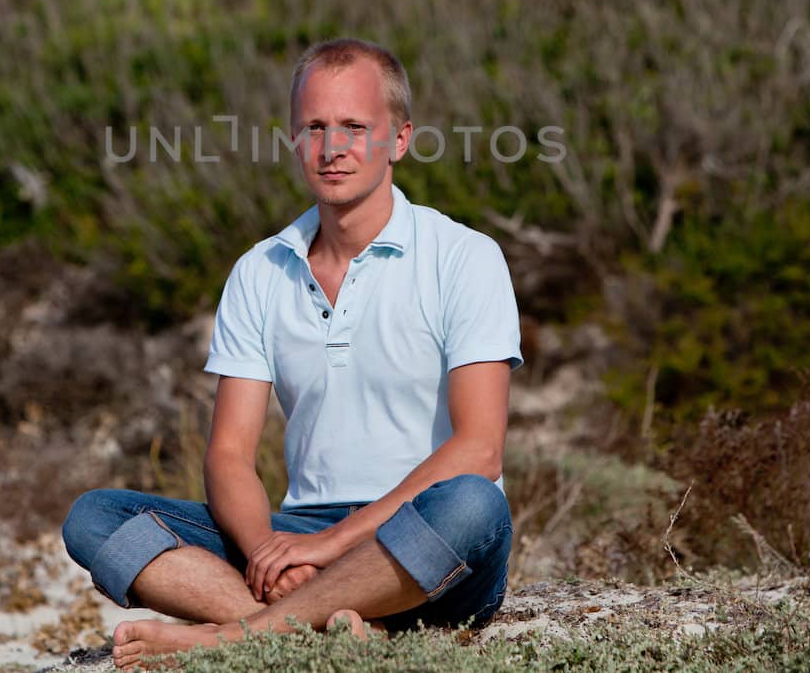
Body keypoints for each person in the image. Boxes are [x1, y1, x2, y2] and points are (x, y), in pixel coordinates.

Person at [62, 37, 523, 669]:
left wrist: (332, 546)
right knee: (96, 517)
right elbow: (228, 454)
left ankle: (238, 637)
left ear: (400, 140)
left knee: (476, 501)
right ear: (293, 141)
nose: (333, 148)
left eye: (355, 127)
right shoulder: (260, 271)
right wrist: (264, 552)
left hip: (425, 539)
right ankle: (331, 628)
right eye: (314, 128)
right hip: (303, 532)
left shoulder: (465, 257)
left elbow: (479, 448)